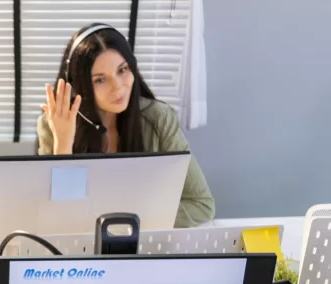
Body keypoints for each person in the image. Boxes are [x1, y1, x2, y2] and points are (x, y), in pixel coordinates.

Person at [37, 23, 215, 228]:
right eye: (100, 80)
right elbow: (57, 219)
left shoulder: (158, 118)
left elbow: (201, 205)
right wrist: (63, 144)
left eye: (122, 70)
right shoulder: (53, 125)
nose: (118, 87)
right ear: (78, 86)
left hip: (143, 245)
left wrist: (125, 222)